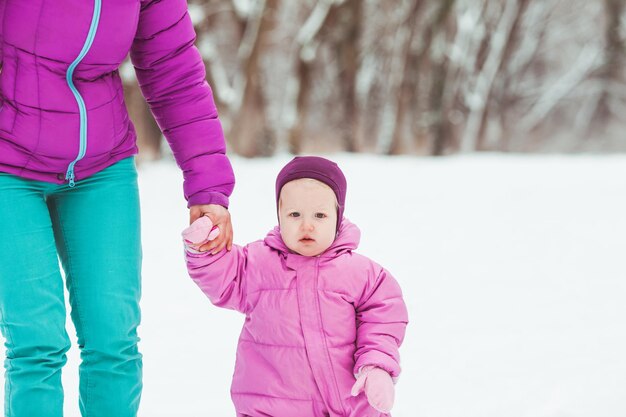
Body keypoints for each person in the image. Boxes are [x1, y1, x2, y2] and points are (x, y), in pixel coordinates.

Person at [0, 1, 234, 416]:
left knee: (114, 340)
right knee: (37, 342)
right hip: (7, 166)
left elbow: (174, 72)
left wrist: (207, 185)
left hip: (100, 167)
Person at [183, 156, 408, 417]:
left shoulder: (362, 274)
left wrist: (376, 366)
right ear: (279, 216)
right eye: (294, 214)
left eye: (320, 215)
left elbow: (384, 320)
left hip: (349, 404)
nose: (307, 225)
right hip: (270, 405)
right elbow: (221, 277)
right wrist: (205, 248)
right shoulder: (257, 264)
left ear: (338, 217)